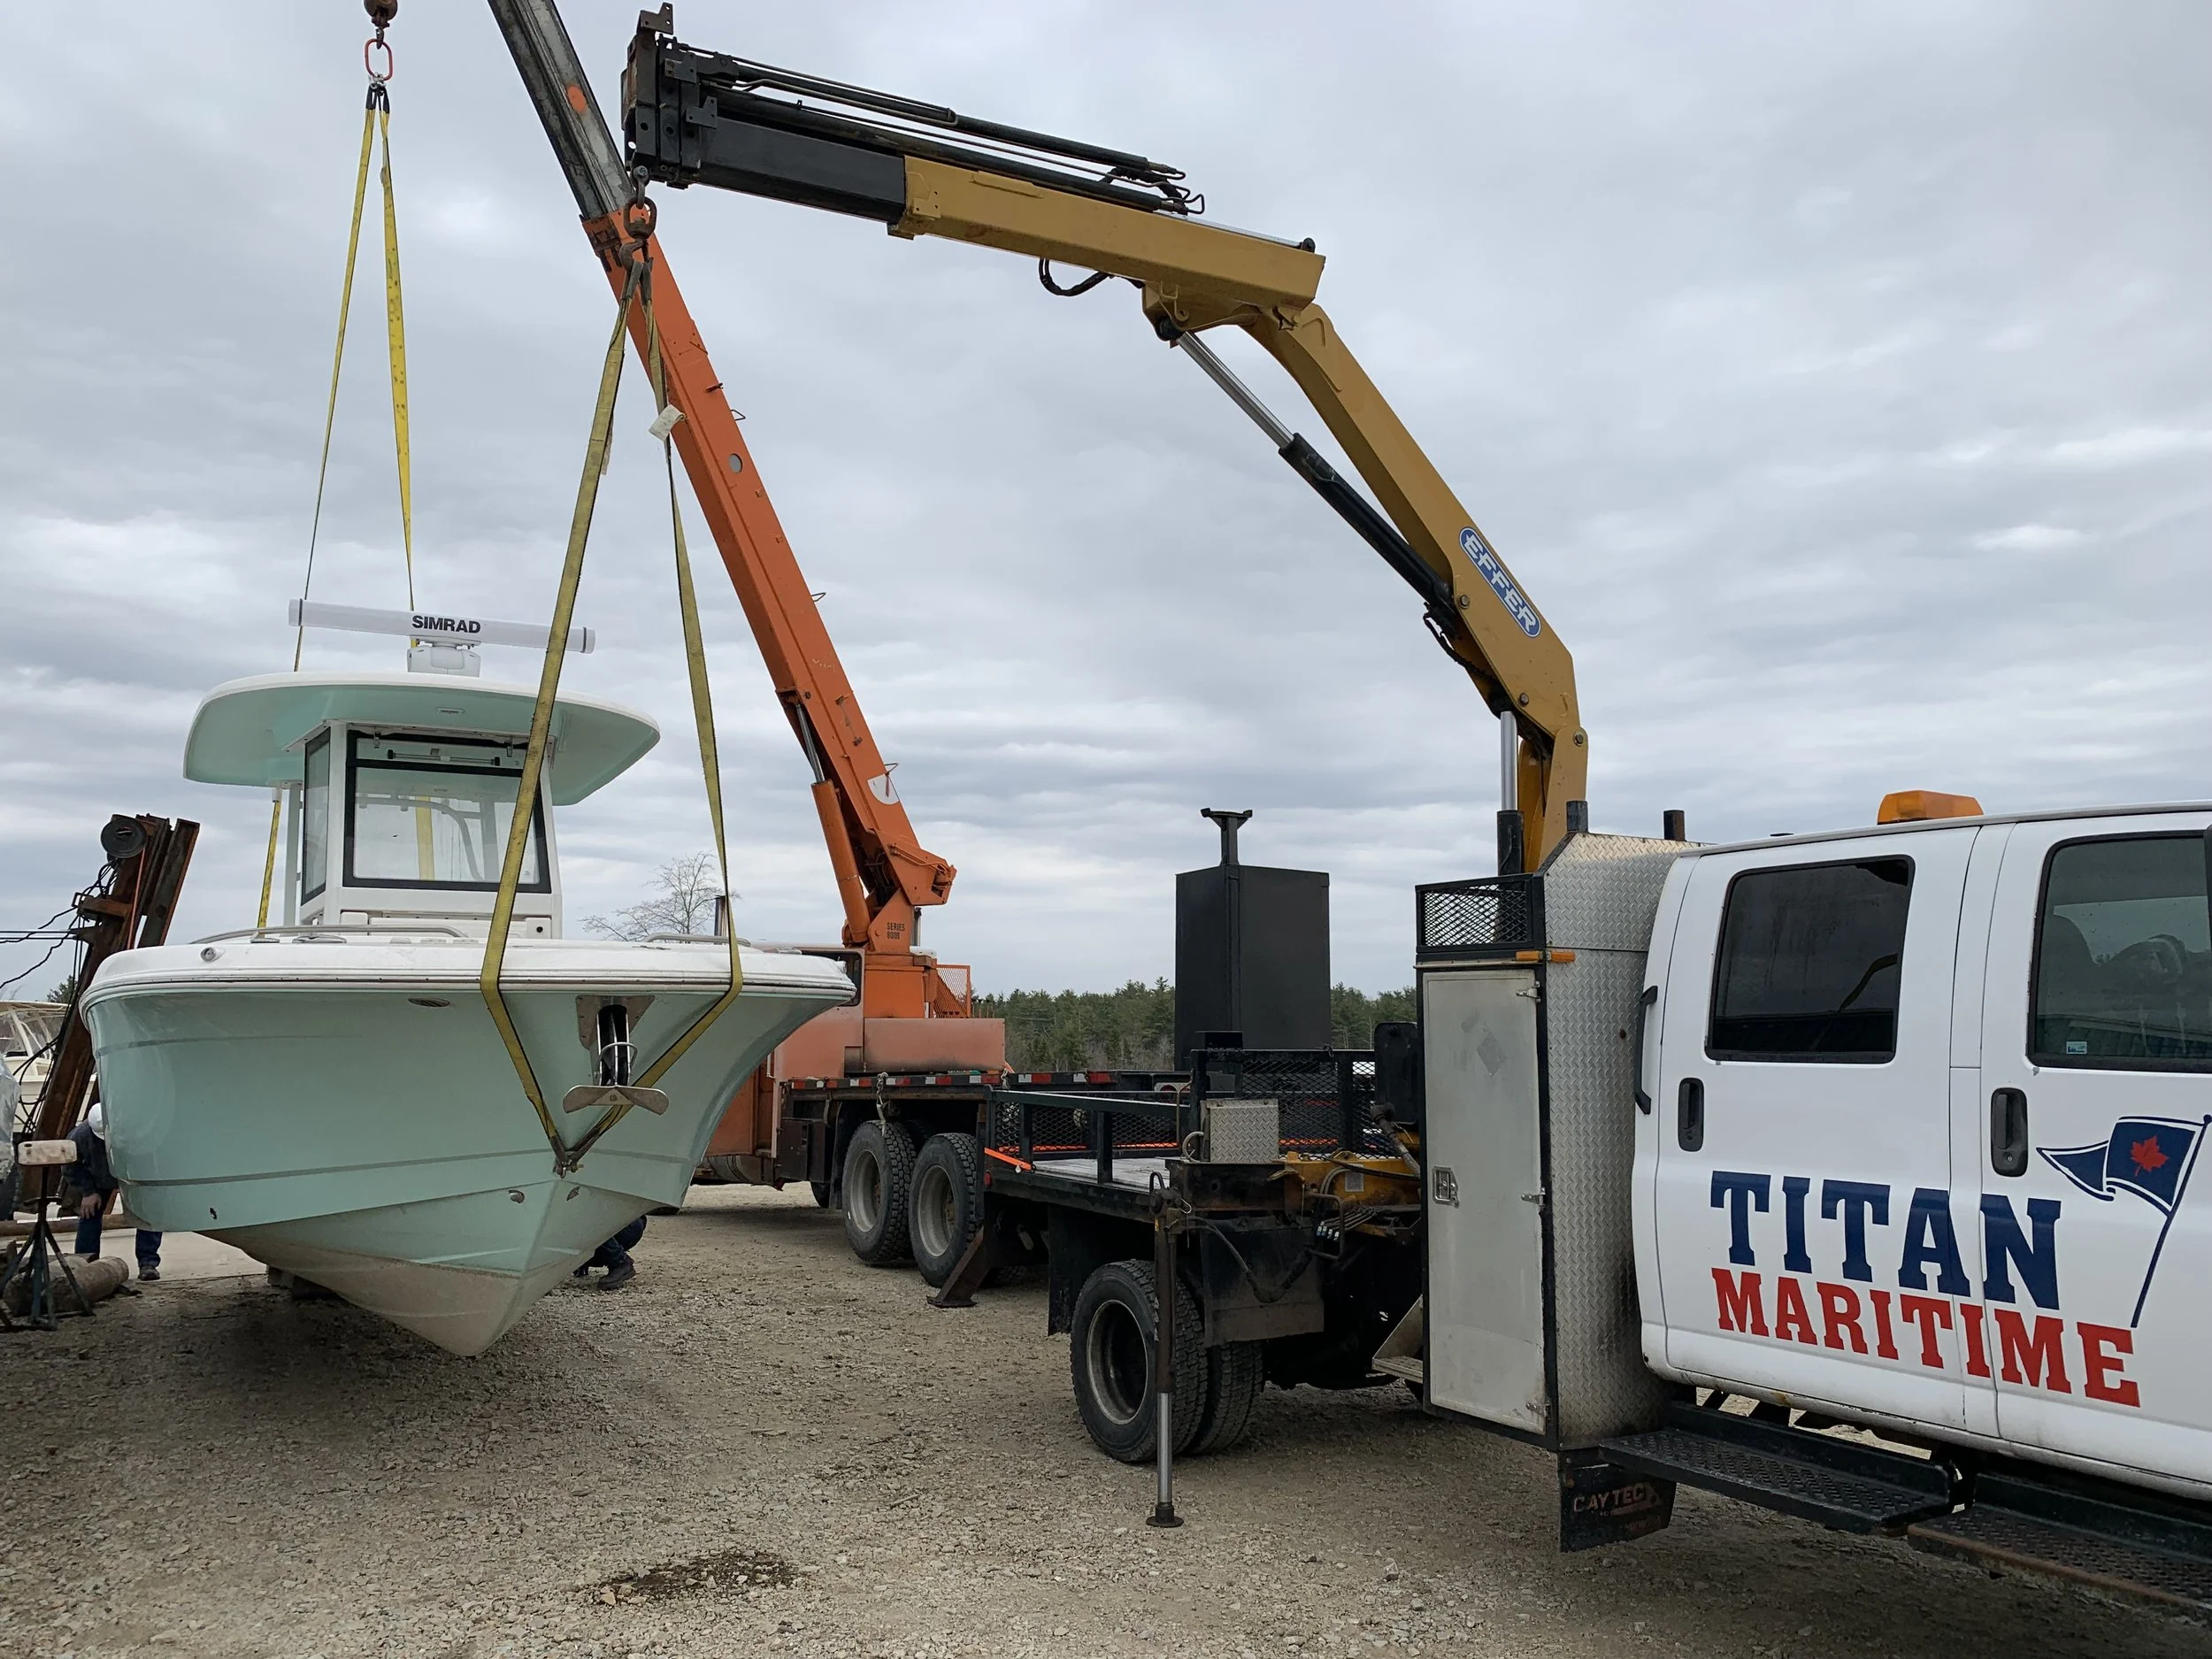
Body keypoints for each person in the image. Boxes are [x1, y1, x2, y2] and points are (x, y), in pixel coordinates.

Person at [66, 1102, 163, 1282]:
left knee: (149, 1215)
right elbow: (71, 1166)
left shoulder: (137, 1130)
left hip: (134, 1175)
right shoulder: (80, 1136)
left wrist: (146, 1186)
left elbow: (152, 1157)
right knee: (89, 1216)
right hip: (98, 1179)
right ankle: (84, 1263)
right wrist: (88, 1192)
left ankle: (148, 1263)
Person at [574, 1215, 645, 1292]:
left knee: (586, 1216)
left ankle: (619, 1262)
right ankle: (585, 1260)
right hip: (620, 1222)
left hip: (628, 1224)